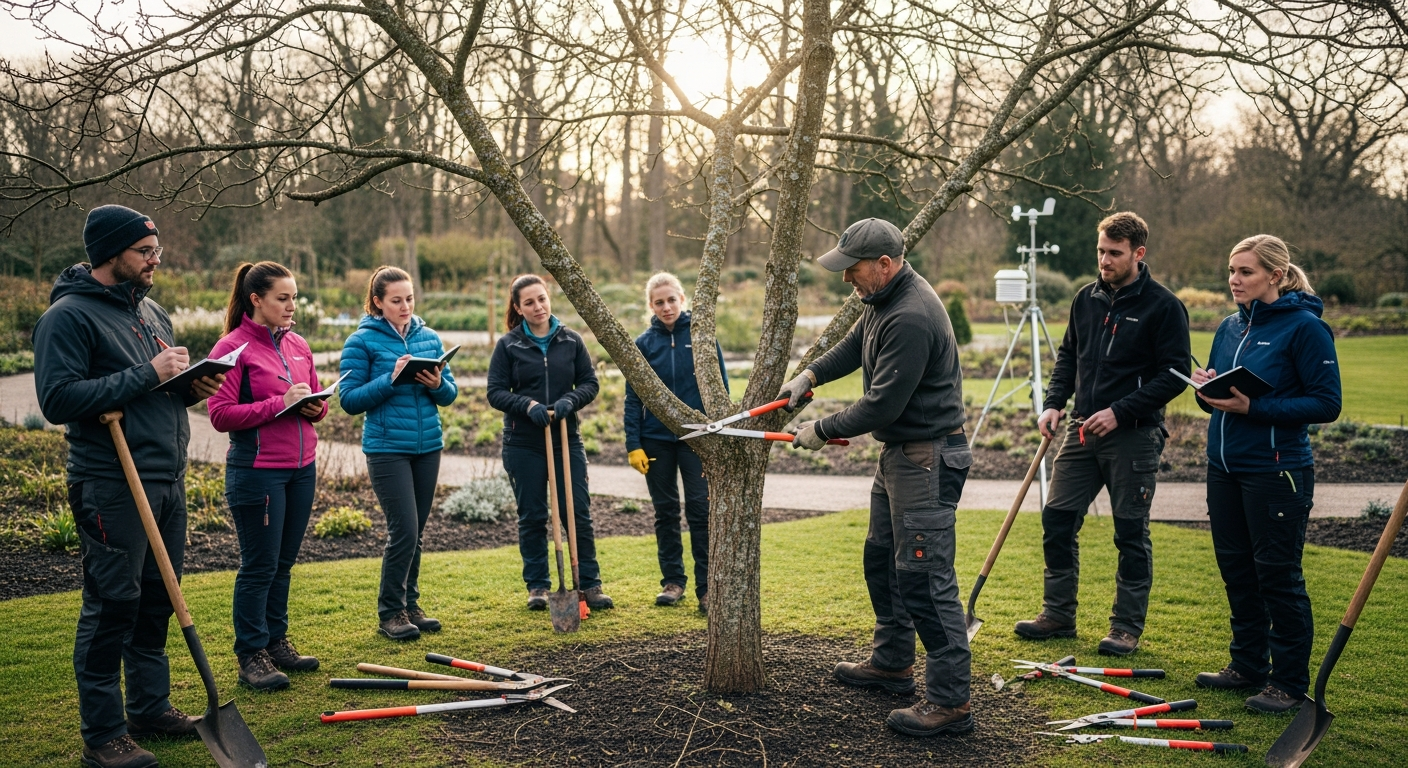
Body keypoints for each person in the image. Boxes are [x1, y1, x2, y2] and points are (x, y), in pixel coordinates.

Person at [33, 205, 223, 768]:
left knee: (157, 602)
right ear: (110, 253)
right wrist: (149, 374)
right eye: (144, 250)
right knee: (112, 604)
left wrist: (190, 387)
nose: (155, 258)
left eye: (155, 248)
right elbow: (57, 399)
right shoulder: (68, 317)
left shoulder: (151, 311)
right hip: (110, 483)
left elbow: (154, 390)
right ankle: (104, 735)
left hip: (165, 477)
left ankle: (149, 707)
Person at [780, 218, 973, 738]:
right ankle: (891, 664)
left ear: (884, 265)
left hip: (927, 459)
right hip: (901, 456)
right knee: (882, 561)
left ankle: (951, 703)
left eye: (854, 270)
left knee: (925, 579)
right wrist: (812, 373)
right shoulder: (885, 300)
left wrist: (820, 429)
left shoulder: (911, 315)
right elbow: (853, 343)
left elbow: (882, 402)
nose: (846, 280)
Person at [1017, 212, 1190, 657]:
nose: (1105, 260)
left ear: (1138, 253)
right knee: (1056, 520)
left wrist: (1119, 411)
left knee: (1130, 532)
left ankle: (1125, 627)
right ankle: (1058, 614)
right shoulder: (1085, 299)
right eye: (1101, 251)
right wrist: (1054, 402)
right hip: (1079, 432)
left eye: (1114, 253)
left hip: (1133, 435)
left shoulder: (1164, 306)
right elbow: (1068, 357)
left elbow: (1175, 377)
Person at [1192, 235, 1340, 713]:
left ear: (1275, 275)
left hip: (1278, 472)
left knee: (1277, 576)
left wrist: (1253, 406)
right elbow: (1219, 397)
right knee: (1237, 571)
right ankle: (1247, 665)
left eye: (1246, 272)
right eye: (1231, 271)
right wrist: (1205, 391)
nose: (1234, 280)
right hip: (1224, 469)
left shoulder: (1305, 328)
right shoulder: (1229, 327)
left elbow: (1326, 403)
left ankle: (1290, 683)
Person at [207, 261, 326, 692]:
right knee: (259, 567)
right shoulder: (230, 349)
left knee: (283, 564)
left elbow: (313, 399)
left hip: (302, 468)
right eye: (283, 298)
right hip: (257, 473)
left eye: (295, 296)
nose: (292, 305)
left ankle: (276, 642)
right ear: (256, 299)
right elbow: (220, 415)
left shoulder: (299, 344)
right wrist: (279, 404)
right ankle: (251, 655)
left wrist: (316, 406)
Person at [339, 266, 459, 641]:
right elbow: (349, 400)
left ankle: (410, 604)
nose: (405, 306)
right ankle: (390, 612)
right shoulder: (361, 342)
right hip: (387, 449)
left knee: (417, 532)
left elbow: (450, 394)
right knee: (404, 530)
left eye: (409, 299)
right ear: (378, 302)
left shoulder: (429, 337)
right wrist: (390, 379)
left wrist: (438, 383)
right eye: (396, 300)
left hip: (428, 448)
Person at [487, 274, 613, 611]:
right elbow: (495, 392)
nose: (538, 306)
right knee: (532, 515)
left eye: (541, 299)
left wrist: (570, 402)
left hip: (564, 438)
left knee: (577, 513)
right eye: (529, 302)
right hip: (523, 442)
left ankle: (590, 583)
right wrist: (527, 406)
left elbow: (589, 382)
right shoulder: (508, 345)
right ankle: (539, 586)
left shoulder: (570, 340)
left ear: (549, 298)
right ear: (518, 308)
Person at [623, 272, 727, 613]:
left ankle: (707, 588)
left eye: (671, 300)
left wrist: (721, 435)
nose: (666, 307)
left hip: (697, 438)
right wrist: (633, 443)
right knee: (665, 512)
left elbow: (720, 388)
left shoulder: (701, 336)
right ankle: (672, 582)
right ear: (650, 306)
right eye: (658, 302)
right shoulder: (643, 344)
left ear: (682, 299)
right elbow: (632, 398)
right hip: (655, 441)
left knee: (700, 511)